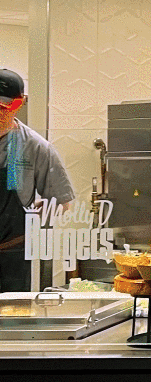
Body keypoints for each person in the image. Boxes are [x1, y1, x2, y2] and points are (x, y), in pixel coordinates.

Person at [0, 70, 75, 292]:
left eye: (7, 106)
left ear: (19, 104)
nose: (1, 112)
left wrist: (33, 214)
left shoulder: (34, 147)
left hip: (11, 256)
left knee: (11, 312)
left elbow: (62, 203)